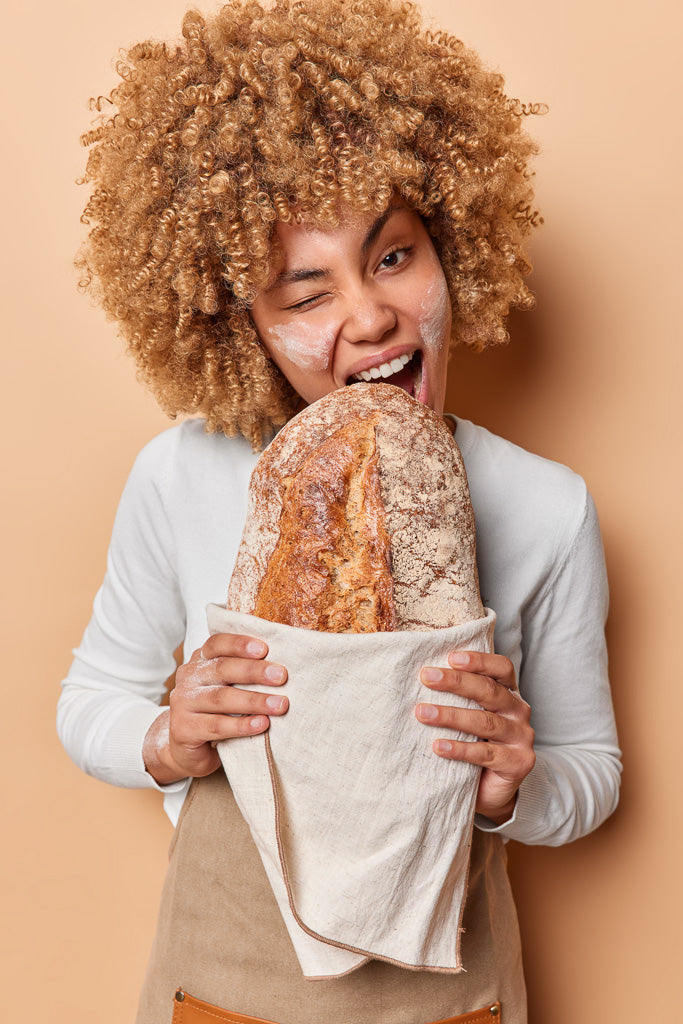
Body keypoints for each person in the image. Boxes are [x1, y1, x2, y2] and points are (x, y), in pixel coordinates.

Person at [58, 1, 621, 1021]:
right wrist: (166, 738)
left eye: (394, 255)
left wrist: (510, 786)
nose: (367, 314)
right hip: (221, 987)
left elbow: (591, 777)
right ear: (245, 332)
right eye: (303, 292)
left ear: (453, 251)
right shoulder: (180, 478)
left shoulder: (544, 507)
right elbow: (89, 700)